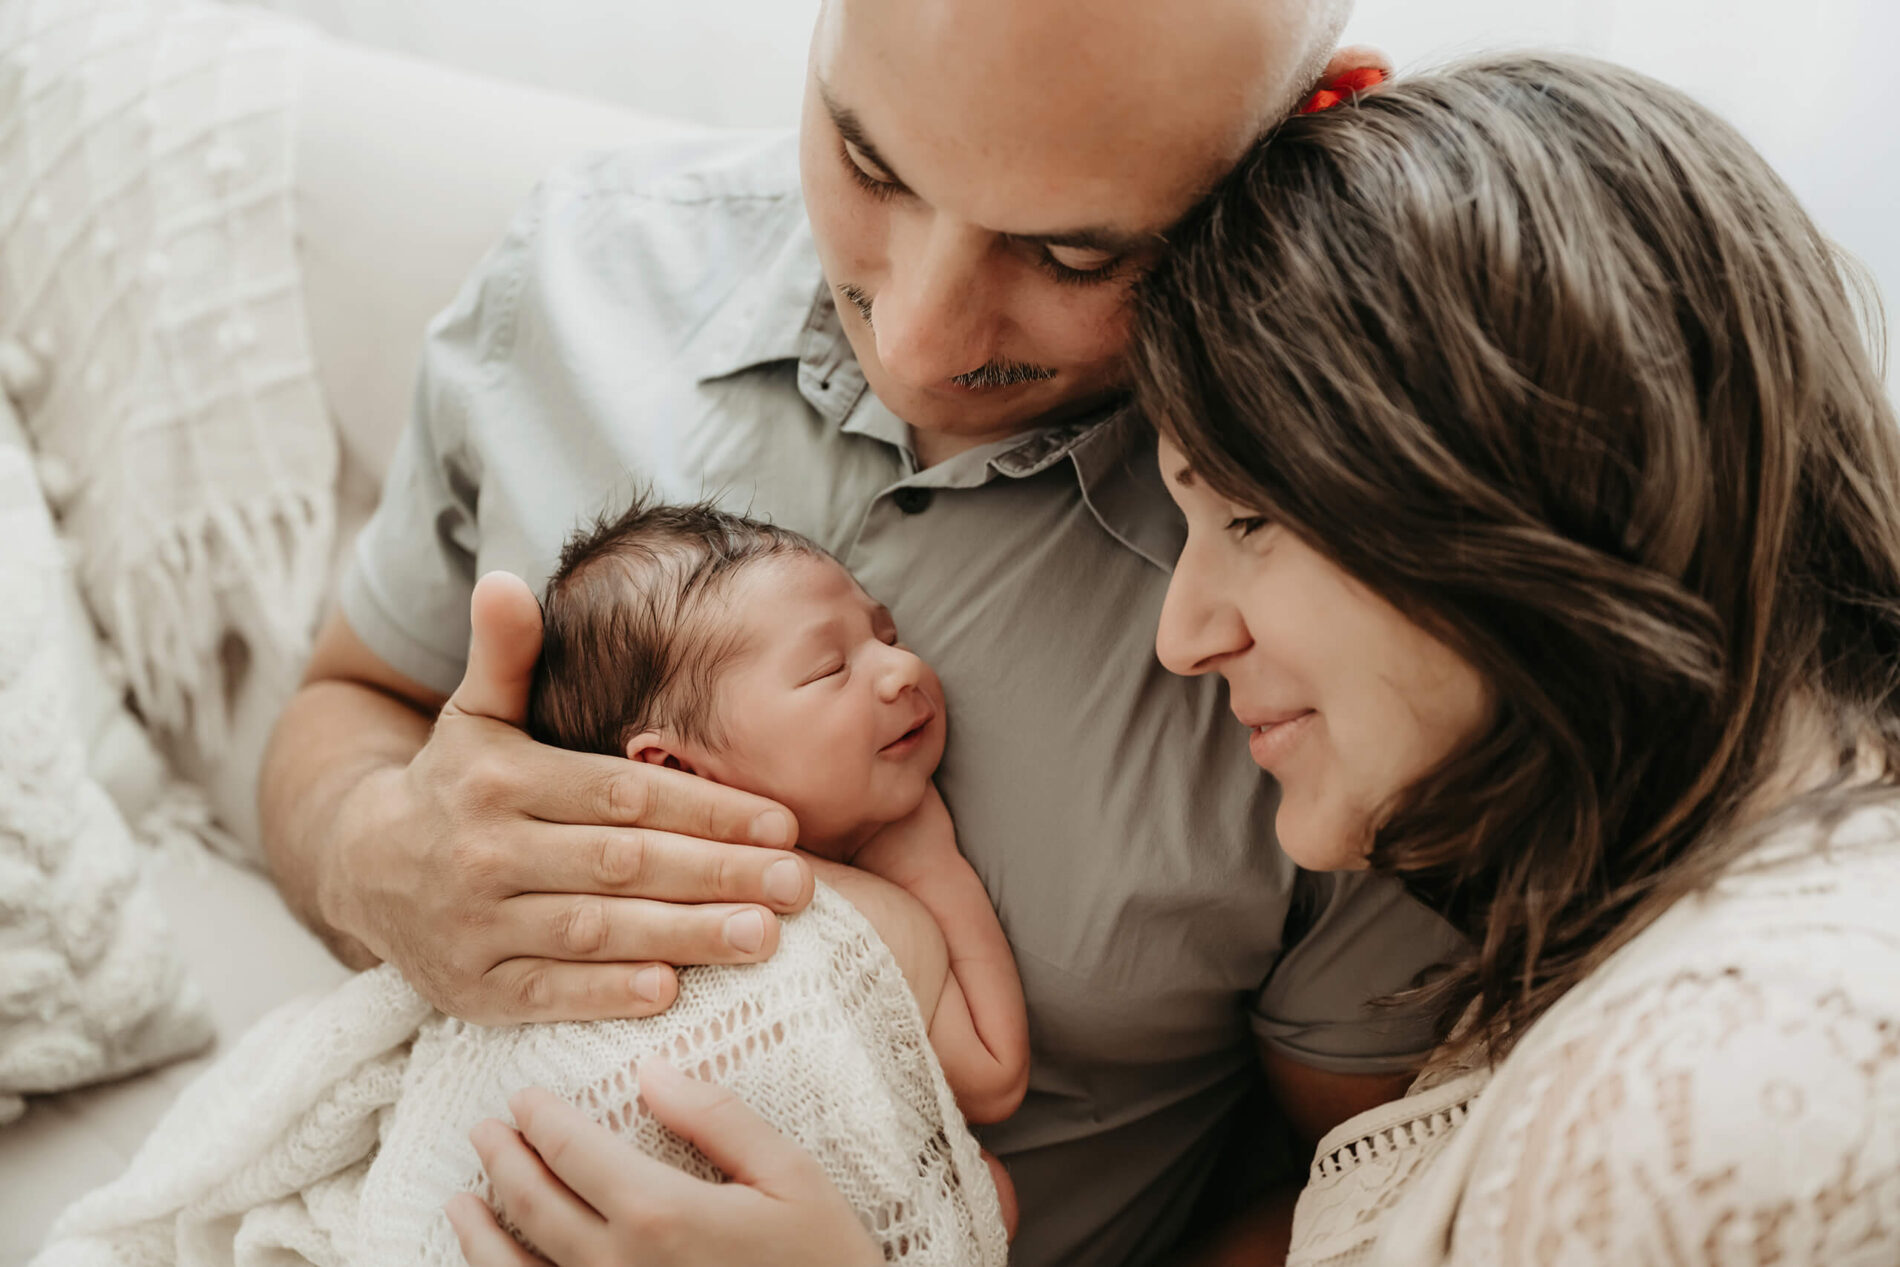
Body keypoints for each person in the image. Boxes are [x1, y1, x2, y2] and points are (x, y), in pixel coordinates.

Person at [446, 52, 1900, 1267]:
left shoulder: (1739, 1084)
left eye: (1250, 519)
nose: (1181, 630)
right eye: (868, 157)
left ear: (1538, 482)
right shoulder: (1660, 927)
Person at [258, 0, 1466, 1262]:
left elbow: (1363, 1196)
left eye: (1069, 257)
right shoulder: (583, 269)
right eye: (868, 164)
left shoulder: (1334, 602)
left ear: (1311, 124)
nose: (918, 338)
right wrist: (373, 859)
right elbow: (348, 701)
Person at [527, 496, 1030, 1130]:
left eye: (886, 635)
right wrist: (923, 856)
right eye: (829, 669)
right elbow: (994, 1076)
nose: (902, 668)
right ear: (675, 773)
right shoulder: (830, 916)